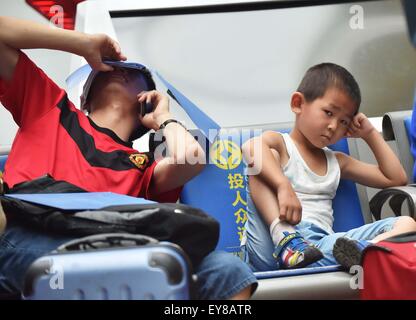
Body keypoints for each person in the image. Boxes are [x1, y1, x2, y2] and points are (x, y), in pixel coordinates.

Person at [0, 16, 257, 299]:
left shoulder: (143, 167)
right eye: (109, 68)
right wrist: (81, 44)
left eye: (135, 75)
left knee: (227, 270)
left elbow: (192, 158)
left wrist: (164, 118)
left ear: (145, 102)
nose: (121, 71)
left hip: (118, 249)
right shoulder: (50, 108)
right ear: (84, 98)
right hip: (28, 236)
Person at [241, 62, 416, 271]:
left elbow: (395, 178)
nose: (334, 126)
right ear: (298, 103)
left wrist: (369, 134)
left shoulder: (337, 162)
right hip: (271, 243)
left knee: (407, 224)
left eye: (344, 122)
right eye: (329, 113)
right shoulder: (281, 144)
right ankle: (286, 240)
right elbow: (250, 147)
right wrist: (282, 186)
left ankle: (365, 250)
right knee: (262, 158)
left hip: (317, 249)